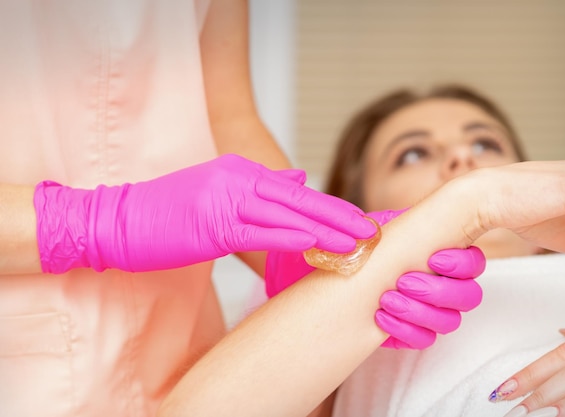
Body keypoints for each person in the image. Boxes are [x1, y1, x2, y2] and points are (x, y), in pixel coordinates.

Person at [0, 3, 484, 417]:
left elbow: (227, 114)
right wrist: (88, 222)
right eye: (412, 153)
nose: (462, 161)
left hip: (180, 342)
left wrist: (304, 252)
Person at [155, 86, 565, 416]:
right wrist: (470, 201)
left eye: (485, 142)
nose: (463, 159)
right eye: (413, 153)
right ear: (354, 208)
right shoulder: (329, 310)